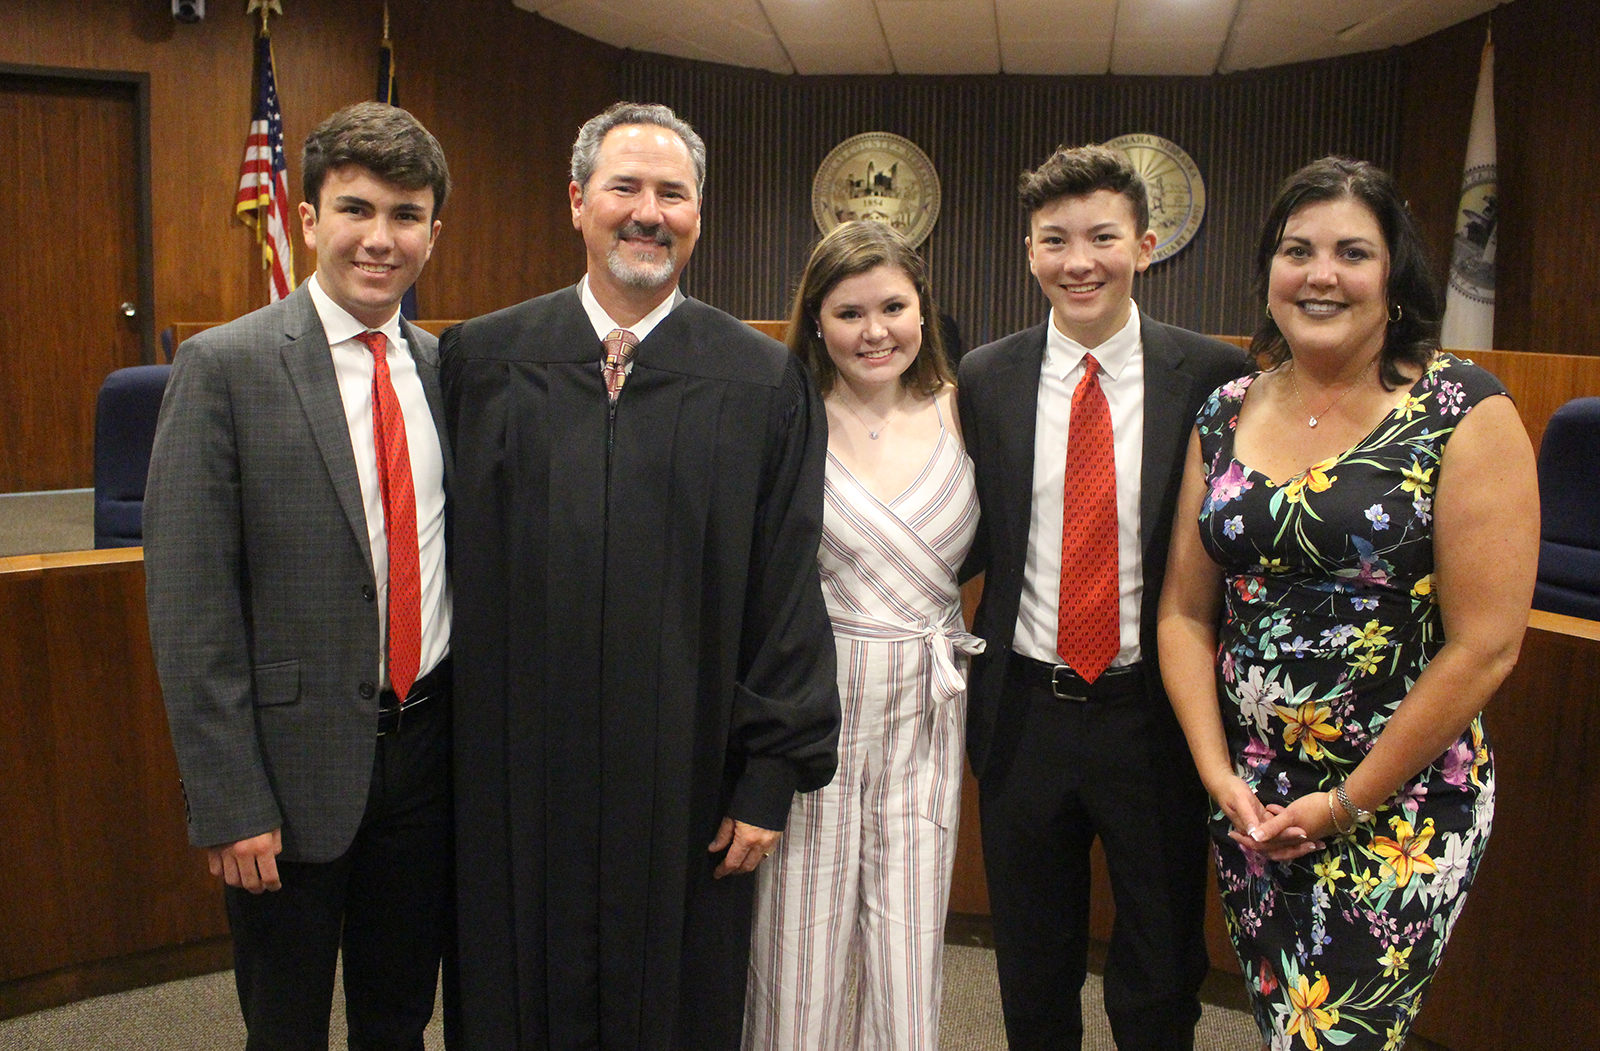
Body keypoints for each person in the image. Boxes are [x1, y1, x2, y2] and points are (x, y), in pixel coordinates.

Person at [442, 101, 841, 1051]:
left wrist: (769, 775)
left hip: (689, 769)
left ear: (701, 214)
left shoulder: (761, 380)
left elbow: (788, 586)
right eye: (625, 187)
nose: (647, 212)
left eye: (674, 193)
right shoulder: (483, 360)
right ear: (578, 202)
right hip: (513, 769)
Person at [1157, 156, 1538, 1050]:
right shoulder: (1225, 410)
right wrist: (1219, 775)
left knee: (1337, 1038)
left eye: (1351, 252)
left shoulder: (1463, 409)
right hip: (1253, 794)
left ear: (1394, 275)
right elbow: (1184, 611)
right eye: (1298, 250)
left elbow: (1486, 645)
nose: (1321, 273)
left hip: (1396, 804)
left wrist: (1349, 801)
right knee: (1282, 1020)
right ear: (1269, 273)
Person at [144, 102, 453, 1049]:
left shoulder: (449, 369)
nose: (380, 237)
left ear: (433, 234)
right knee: (283, 1028)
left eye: (406, 215)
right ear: (308, 219)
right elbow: (191, 609)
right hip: (287, 777)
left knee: (399, 1018)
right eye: (355, 208)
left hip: (430, 756)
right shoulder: (223, 367)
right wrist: (228, 801)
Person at [957, 144, 1248, 1051]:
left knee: (1160, 963)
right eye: (1055, 240)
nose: (1078, 260)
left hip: (1152, 711)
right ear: (1031, 252)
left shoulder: (1211, 376)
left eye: (1102, 237)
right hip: (1024, 709)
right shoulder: (985, 378)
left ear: (1146, 244)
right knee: (1032, 958)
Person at [744, 221, 982, 1051]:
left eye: (893, 307)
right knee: (801, 936)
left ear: (923, 313)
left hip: (926, 706)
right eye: (849, 312)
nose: (874, 331)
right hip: (820, 704)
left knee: (907, 936)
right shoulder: (787, 418)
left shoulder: (970, 411)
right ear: (815, 320)